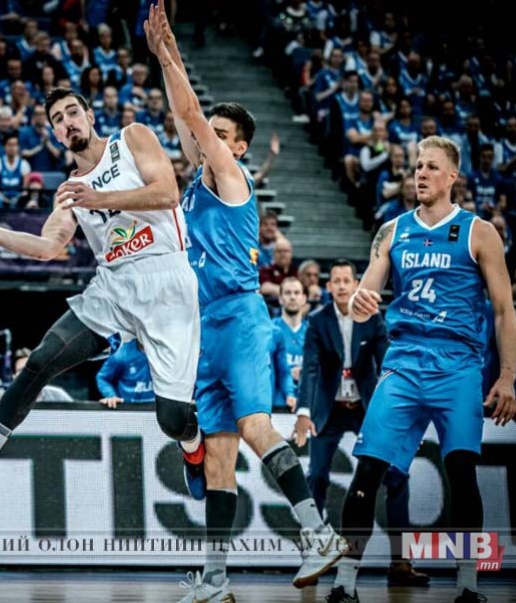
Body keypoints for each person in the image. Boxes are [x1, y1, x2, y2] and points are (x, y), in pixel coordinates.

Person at [0, 85, 202, 509]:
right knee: (40, 360)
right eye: (57, 119)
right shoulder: (70, 190)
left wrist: (99, 198)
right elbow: (47, 247)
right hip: (113, 287)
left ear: (89, 116)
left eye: (72, 112)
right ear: (54, 134)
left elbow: (167, 193)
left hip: (167, 280)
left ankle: (194, 446)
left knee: (173, 419)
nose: (67, 122)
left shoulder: (132, 138)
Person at [144, 5, 343, 600]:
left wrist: (168, 54)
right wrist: (166, 58)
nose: (209, 139)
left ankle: (319, 533)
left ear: (240, 148)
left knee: (256, 427)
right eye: (212, 134)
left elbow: (189, 116)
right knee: (218, 460)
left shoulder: (232, 181)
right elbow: (184, 119)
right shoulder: (199, 180)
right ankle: (215, 580)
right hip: (203, 328)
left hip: (239, 318)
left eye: (221, 135)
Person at [321, 136, 516, 603]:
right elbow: (364, 296)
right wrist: (360, 301)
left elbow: (504, 310)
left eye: (431, 167)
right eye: (417, 167)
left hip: (459, 366)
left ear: (453, 176)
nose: (421, 174)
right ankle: (345, 583)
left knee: (462, 472)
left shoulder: (479, 232)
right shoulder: (392, 231)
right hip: (405, 362)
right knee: (368, 469)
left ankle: (467, 585)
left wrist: (507, 376)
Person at [293, 260, 428, 586]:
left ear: (356, 285)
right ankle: (313, 557)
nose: (341, 286)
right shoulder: (318, 321)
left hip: (366, 408)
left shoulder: (374, 319)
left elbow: (388, 364)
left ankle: (401, 561)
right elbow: (310, 368)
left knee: (396, 474)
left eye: (346, 280)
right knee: (316, 477)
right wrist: (303, 411)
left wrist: (402, 415)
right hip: (329, 409)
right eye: (336, 281)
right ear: (328, 287)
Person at [96, 340, 154, 408]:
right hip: (127, 408)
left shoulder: (164, 354)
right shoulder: (120, 354)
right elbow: (103, 378)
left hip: (159, 408)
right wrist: (111, 395)